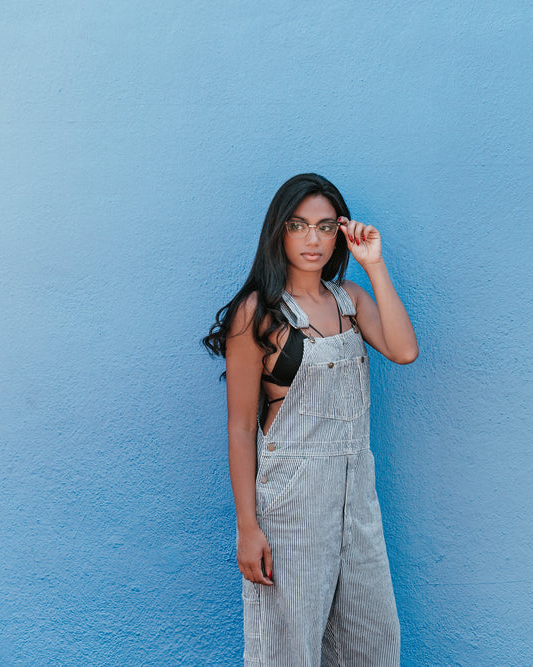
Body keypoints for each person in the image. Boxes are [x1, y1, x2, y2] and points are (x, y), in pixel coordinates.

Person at [203, 173, 418, 666]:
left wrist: (375, 265)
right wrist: (248, 527)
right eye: (299, 225)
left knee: (372, 638)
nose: (312, 239)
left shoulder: (351, 300)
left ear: (339, 234)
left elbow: (404, 351)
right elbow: (240, 427)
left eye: (324, 227)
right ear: (279, 231)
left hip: (356, 496)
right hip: (291, 499)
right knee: (291, 645)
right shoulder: (256, 313)